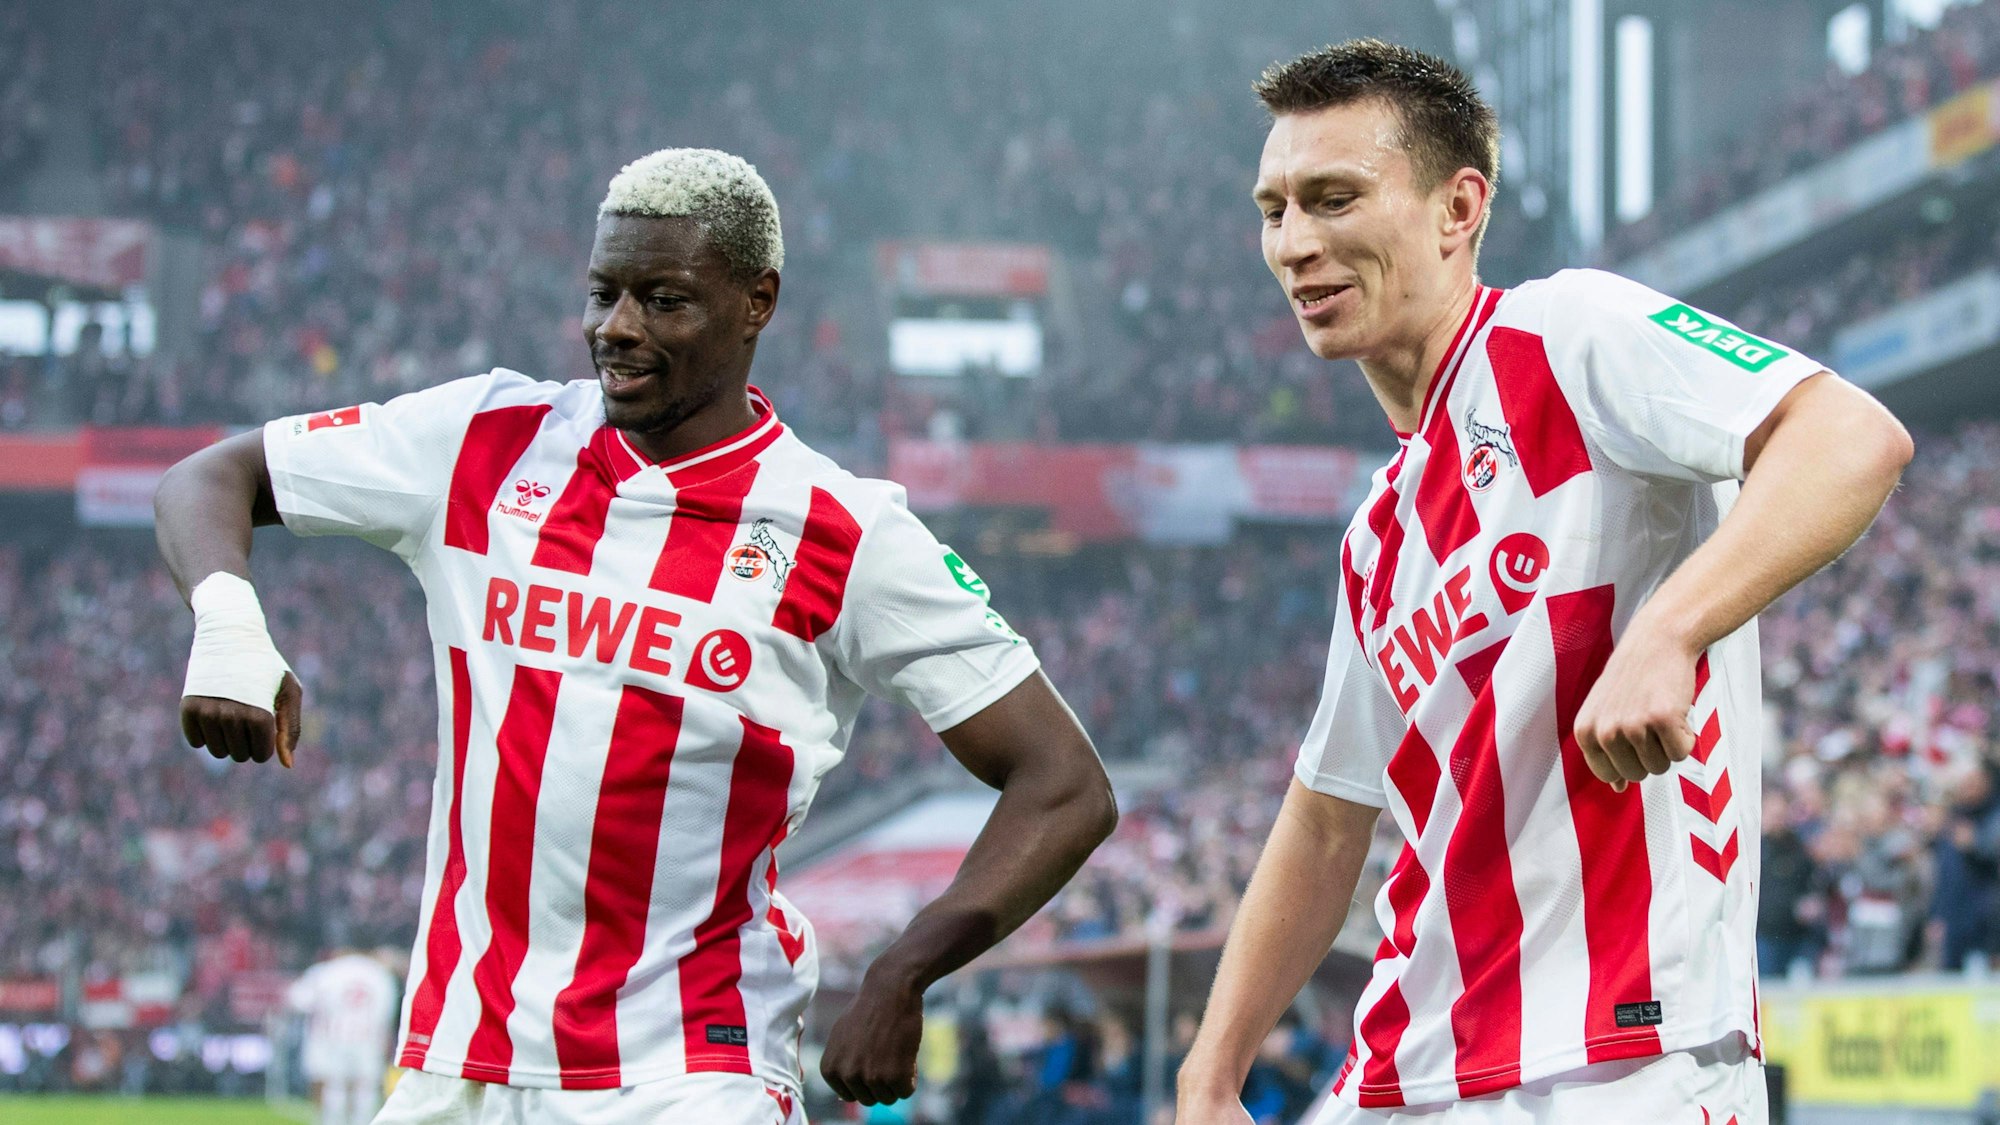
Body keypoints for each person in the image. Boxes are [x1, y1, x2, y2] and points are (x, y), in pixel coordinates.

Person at [156, 147, 1117, 1124]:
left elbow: (1063, 784)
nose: (616, 328)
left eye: (663, 299)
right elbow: (209, 476)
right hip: (460, 1059)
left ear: (757, 301)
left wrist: (903, 972)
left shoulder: (843, 530)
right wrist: (228, 621)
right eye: (603, 292)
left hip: (690, 1073)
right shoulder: (485, 440)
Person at [1175, 40, 1911, 1125]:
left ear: (1455, 207)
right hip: (1404, 1072)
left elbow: (1849, 436)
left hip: (1627, 1060)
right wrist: (1209, 1071)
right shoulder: (1376, 535)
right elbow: (1327, 813)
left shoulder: (1561, 335)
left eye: (1333, 199)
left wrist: (1667, 632)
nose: (1294, 243)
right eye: (1273, 208)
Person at [287, 944, 400, 1125]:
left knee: (334, 1085)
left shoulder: (327, 971)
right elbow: (388, 1011)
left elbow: (299, 1000)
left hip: (332, 1036)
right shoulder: (380, 973)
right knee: (366, 1087)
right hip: (369, 1038)